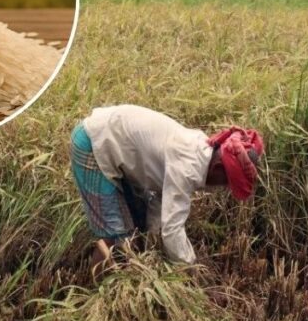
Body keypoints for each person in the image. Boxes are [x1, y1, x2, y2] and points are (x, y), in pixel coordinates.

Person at [70, 104, 263, 270]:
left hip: (115, 142)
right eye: (225, 182)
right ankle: (98, 294)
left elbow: (160, 207)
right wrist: (192, 272)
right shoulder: (187, 168)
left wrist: (152, 244)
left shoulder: (201, 151)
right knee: (116, 237)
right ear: (219, 167)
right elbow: (172, 230)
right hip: (93, 143)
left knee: (137, 222)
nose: (222, 187)